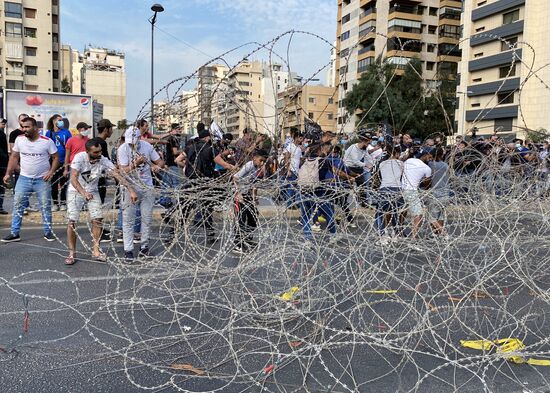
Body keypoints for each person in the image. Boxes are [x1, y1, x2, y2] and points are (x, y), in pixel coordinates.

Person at [65, 139, 138, 265]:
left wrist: (131, 190)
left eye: (100, 151)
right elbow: (73, 178)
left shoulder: (104, 160)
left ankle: (96, 251)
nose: (99, 154)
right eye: (95, 152)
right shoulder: (79, 157)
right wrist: (83, 193)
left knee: (97, 219)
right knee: (72, 221)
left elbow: (117, 175)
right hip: (75, 191)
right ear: (87, 151)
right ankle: (72, 253)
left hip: (92, 191)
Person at [2, 117, 59, 243]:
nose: (24, 129)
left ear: (35, 128)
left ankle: (48, 232)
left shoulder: (47, 141)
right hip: (24, 179)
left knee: (45, 207)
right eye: (22, 127)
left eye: (27, 127)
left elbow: (55, 157)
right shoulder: (19, 140)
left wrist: (51, 172)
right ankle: (14, 233)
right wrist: (8, 173)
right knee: (18, 206)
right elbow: (14, 157)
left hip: (42, 180)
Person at [117, 127, 164, 260]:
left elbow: (160, 161)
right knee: (128, 219)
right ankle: (128, 250)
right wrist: (135, 163)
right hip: (129, 187)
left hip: (146, 186)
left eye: (134, 141)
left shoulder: (147, 146)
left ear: (139, 138)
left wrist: (157, 167)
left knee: (146, 218)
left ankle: (144, 247)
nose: (131, 144)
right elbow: (123, 171)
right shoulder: (122, 149)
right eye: (129, 142)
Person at [232, 149, 268, 254]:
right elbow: (235, 177)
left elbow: (254, 185)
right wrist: (238, 193)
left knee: (253, 217)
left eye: (264, 161)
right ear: (255, 158)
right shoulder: (249, 166)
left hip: (247, 195)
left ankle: (247, 240)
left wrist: (254, 198)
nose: (262, 163)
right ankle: (238, 245)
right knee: (241, 220)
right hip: (239, 196)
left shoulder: (257, 168)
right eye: (261, 160)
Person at [401, 151, 433, 242]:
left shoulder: (409, 160)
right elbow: (427, 184)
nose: (430, 160)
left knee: (403, 211)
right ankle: (414, 237)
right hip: (412, 191)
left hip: (401, 189)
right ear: (426, 155)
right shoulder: (427, 168)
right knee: (418, 214)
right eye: (430, 157)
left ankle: (398, 231)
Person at [45, 114, 72, 211]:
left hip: (64, 161)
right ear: (53, 121)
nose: (61, 122)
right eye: (59, 120)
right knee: (54, 184)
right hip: (53, 163)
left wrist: (67, 165)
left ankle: (64, 203)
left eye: (62, 120)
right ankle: (55, 203)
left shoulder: (66, 132)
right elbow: (46, 148)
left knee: (64, 184)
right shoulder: (49, 133)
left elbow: (69, 147)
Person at [376, 147, 404, 240]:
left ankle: (383, 234)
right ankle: (395, 234)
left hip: (385, 188)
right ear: (396, 153)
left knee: (380, 212)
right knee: (395, 212)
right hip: (397, 189)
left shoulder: (382, 164)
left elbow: (379, 176)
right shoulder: (401, 163)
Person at [427, 147, 450, 236]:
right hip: (445, 193)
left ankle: (443, 233)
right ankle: (436, 233)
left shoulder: (431, 164)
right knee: (441, 215)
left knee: (432, 217)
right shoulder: (445, 165)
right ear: (442, 155)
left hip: (434, 194)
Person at [93, 119, 115, 204]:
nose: (112, 131)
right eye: (111, 129)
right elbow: (105, 160)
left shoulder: (94, 140)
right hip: (99, 175)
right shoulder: (102, 143)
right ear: (106, 129)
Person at [281, 130, 304, 207]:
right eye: (300, 138)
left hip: (297, 170)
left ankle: (293, 203)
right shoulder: (290, 146)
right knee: (291, 188)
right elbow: (287, 157)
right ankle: (289, 204)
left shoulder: (299, 148)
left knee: (294, 187)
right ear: (296, 138)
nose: (302, 140)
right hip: (292, 169)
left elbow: (300, 160)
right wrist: (288, 169)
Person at [0, 118, 8, 214]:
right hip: (1, 163)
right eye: (2, 123)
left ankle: (0, 207)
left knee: (1, 187)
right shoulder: (1, 134)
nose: (4, 125)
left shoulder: (2, 134)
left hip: (2, 164)